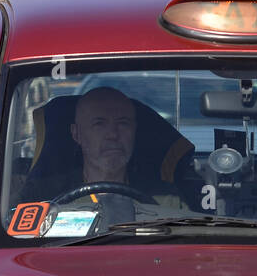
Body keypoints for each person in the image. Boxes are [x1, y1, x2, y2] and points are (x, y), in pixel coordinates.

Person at [18, 87, 181, 210]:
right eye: (99, 124)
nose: (113, 134)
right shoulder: (41, 196)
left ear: (135, 131)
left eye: (123, 123)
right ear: (76, 134)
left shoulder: (165, 199)